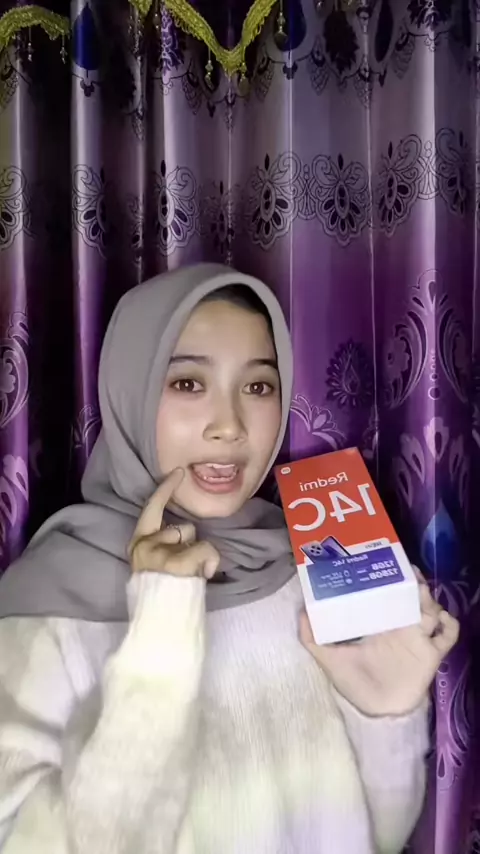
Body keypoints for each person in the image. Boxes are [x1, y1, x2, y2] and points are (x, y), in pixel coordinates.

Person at [0, 264, 458, 854]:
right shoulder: (43, 612)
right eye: (189, 383)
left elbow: (378, 836)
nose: (230, 426)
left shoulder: (308, 568)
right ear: (129, 390)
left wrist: (386, 713)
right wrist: (159, 640)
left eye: (258, 387)